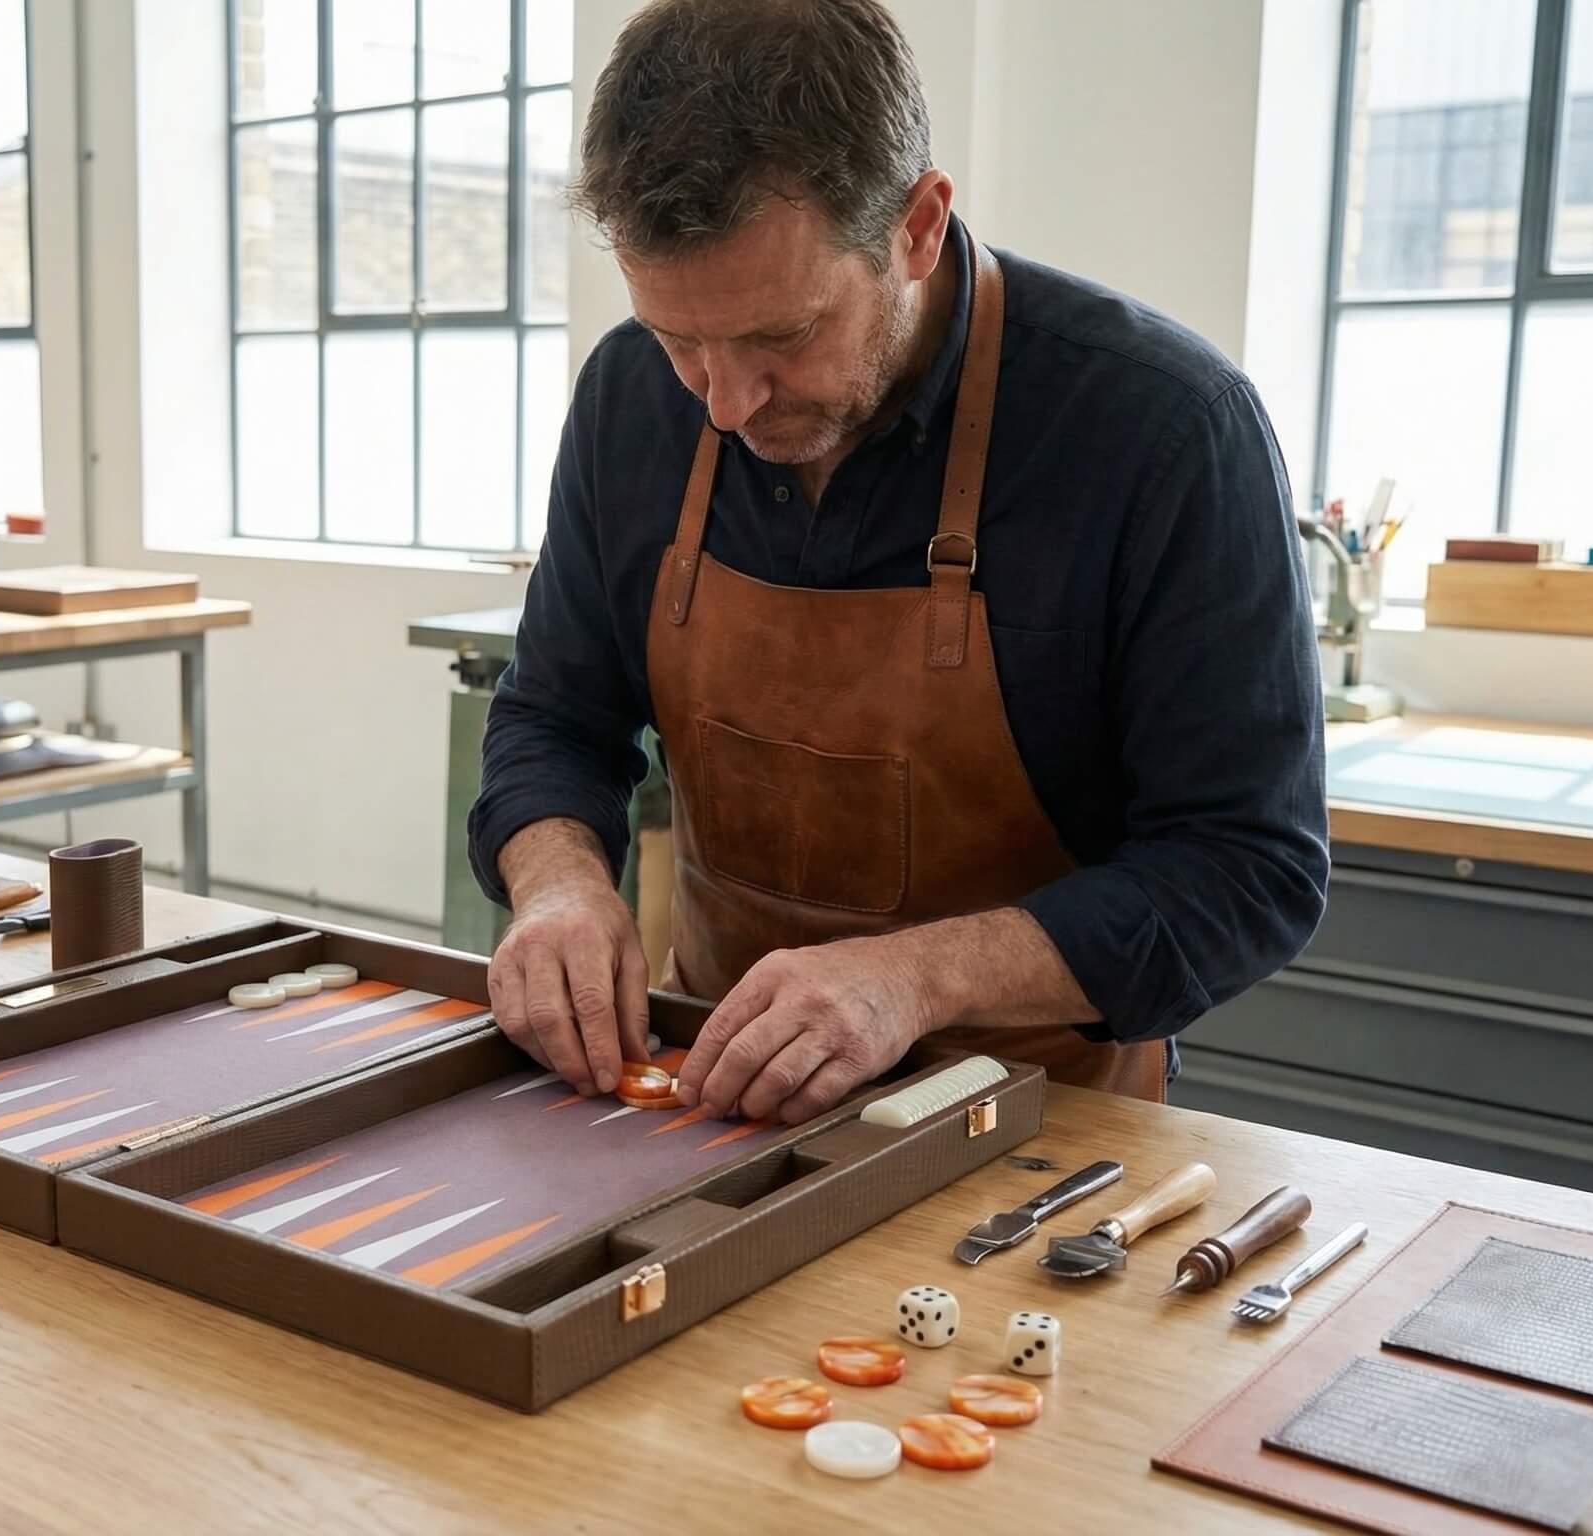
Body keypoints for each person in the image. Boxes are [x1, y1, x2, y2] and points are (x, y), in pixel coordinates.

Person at [471, 0, 1328, 1124]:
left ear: (916, 226)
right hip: (710, 1102)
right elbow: (553, 715)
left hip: (1035, 1127)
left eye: (782, 337)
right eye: (681, 340)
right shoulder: (631, 396)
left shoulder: (1163, 431)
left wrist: (912, 980)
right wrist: (558, 888)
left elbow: (1245, 871)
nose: (724, 406)